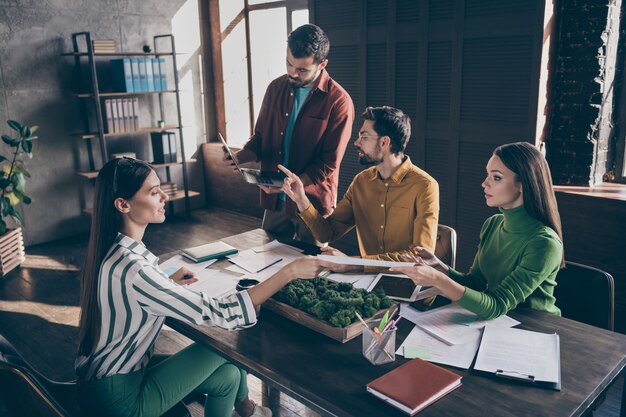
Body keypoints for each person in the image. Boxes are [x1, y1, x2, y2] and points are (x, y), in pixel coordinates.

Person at [76, 157, 330, 417]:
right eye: (154, 192)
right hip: (119, 400)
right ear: (123, 205)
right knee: (231, 350)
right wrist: (290, 271)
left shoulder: (112, 250)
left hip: (110, 378)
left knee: (229, 375)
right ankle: (249, 411)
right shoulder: (136, 269)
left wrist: (166, 283)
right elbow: (223, 314)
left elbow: (132, 293)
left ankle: (248, 411)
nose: (164, 196)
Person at [391, 142, 564, 320]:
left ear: (523, 183)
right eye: (487, 175)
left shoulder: (544, 243)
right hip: (496, 323)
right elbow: (476, 283)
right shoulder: (493, 224)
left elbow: (496, 305)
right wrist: (441, 269)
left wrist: (438, 280)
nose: (484, 183)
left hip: (536, 328)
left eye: (496, 177)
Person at [228, 23, 354, 245]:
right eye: (289, 63)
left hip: (311, 204)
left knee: (311, 269)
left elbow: (328, 164)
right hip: (275, 201)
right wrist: (240, 157)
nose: (292, 73)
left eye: (302, 69)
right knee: (269, 265)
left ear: (322, 64)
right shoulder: (275, 88)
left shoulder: (339, 102)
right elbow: (260, 138)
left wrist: (291, 184)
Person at [279, 106, 439, 272]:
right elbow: (327, 234)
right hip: (365, 282)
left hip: (407, 284)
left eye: (364, 136)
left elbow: (419, 258)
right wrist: (301, 199)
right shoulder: (361, 181)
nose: (357, 142)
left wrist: (352, 262)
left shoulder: (425, 186)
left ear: (385, 142)